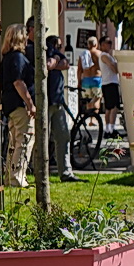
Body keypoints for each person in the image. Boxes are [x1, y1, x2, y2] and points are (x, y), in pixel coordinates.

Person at [0, 24, 37, 189]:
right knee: (25, 138)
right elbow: (18, 82)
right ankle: (17, 177)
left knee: (14, 140)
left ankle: (10, 175)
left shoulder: (7, 57)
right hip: (19, 104)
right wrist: (30, 103)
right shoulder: (18, 58)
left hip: (10, 104)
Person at [44, 35, 79, 182]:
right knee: (42, 138)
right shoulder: (45, 50)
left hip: (57, 101)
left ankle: (66, 172)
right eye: (58, 46)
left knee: (63, 135)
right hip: (46, 101)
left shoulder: (54, 53)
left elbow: (66, 64)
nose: (60, 49)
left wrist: (56, 61)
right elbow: (48, 65)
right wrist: (56, 62)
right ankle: (37, 171)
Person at [96, 25, 122, 134]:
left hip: (108, 82)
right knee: (113, 107)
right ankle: (111, 129)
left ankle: (108, 129)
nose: (110, 44)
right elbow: (114, 68)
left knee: (109, 107)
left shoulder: (106, 55)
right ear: (102, 45)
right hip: (110, 83)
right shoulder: (104, 56)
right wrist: (117, 66)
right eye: (108, 42)